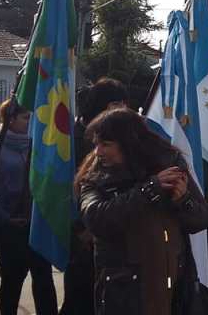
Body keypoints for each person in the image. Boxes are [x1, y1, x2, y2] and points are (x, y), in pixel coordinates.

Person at [77, 108, 208, 315]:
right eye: (96, 145)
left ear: (128, 144)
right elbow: (97, 219)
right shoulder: (95, 179)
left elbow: (201, 219)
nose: (98, 152)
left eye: (106, 145)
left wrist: (183, 200)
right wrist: (148, 191)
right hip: (124, 295)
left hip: (174, 289)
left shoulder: (168, 164)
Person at [0, 99, 58, 315]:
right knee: (13, 280)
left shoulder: (38, 146)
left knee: (43, 279)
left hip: (36, 225)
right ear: (10, 120)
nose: (30, 122)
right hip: (9, 226)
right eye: (26, 118)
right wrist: (3, 217)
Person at [64, 77, 129, 315]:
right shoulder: (77, 138)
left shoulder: (119, 138)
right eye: (118, 105)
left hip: (106, 233)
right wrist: (84, 228)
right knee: (80, 298)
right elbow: (76, 187)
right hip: (83, 232)